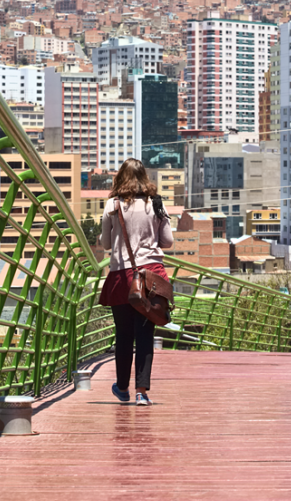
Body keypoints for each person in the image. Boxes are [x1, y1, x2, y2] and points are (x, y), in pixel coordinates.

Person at [98, 158, 173, 406]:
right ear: (145, 178)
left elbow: (107, 245)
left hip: (122, 276)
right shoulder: (157, 204)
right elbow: (168, 242)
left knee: (123, 335)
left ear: (120, 177)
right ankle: (142, 391)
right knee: (145, 333)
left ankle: (121, 387)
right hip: (150, 275)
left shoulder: (112, 204)